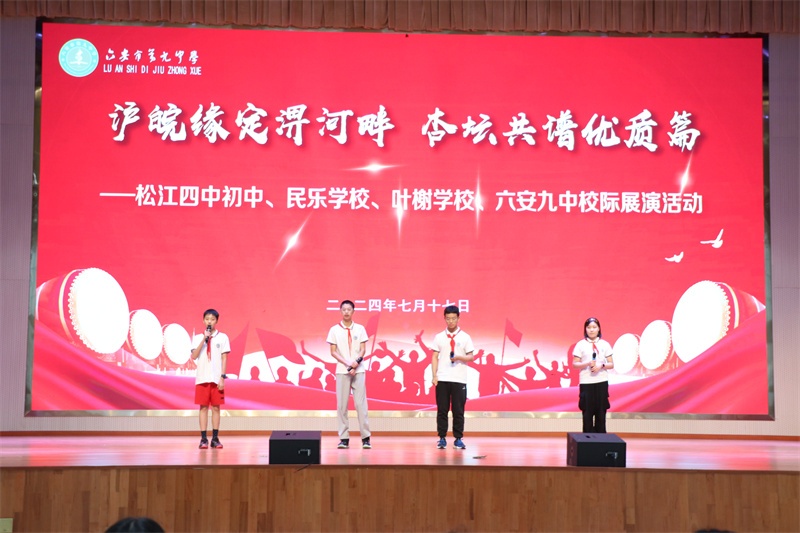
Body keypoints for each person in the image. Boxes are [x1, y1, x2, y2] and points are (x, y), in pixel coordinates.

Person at [326, 300, 371, 449]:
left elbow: (363, 349)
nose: (346, 312)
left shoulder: (360, 328)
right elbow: (333, 352)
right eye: (344, 309)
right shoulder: (334, 330)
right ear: (340, 311)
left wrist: (356, 363)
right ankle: (344, 438)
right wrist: (347, 364)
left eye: (349, 309)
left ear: (353, 311)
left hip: (358, 370)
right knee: (342, 405)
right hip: (342, 370)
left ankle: (366, 438)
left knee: (360, 404)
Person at [431, 305, 475, 450]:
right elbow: (434, 357)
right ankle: (442, 438)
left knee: (458, 411)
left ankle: (458, 438)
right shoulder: (439, 337)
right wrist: (434, 375)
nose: (451, 321)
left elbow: (471, 357)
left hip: (459, 379)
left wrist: (459, 357)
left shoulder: (465, 337)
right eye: (448, 319)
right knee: (442, 410)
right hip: (442, 378)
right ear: (444, 318)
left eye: (454, 318)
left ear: (458, 318)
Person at [191, 308, 231, 449]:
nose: (210, 321)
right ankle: (203, 439)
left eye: (212, 319)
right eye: (207, 319)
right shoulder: (197, 338)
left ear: (216, 321)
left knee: (216, 408)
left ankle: (215, 438)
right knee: (203, 408)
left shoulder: (223, 337)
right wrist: (204, 338)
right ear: (203, 320)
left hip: (216, 378)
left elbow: (224, 358)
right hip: (202, 378)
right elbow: (194, 356)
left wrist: (222, 377)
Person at [572, 317, 615, 433]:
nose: (591, 330)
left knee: (601, 413)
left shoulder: (605, 344)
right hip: (586, 383)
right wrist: (587, 363)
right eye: (589, 327)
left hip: (601, 382)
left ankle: (601, 441)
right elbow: (575, 364)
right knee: (587, 414)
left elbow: (611, 364)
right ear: (585, 329)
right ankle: (587, 440)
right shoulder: (580, 345)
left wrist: (601, 365)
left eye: (594, 327)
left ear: (599, 329)